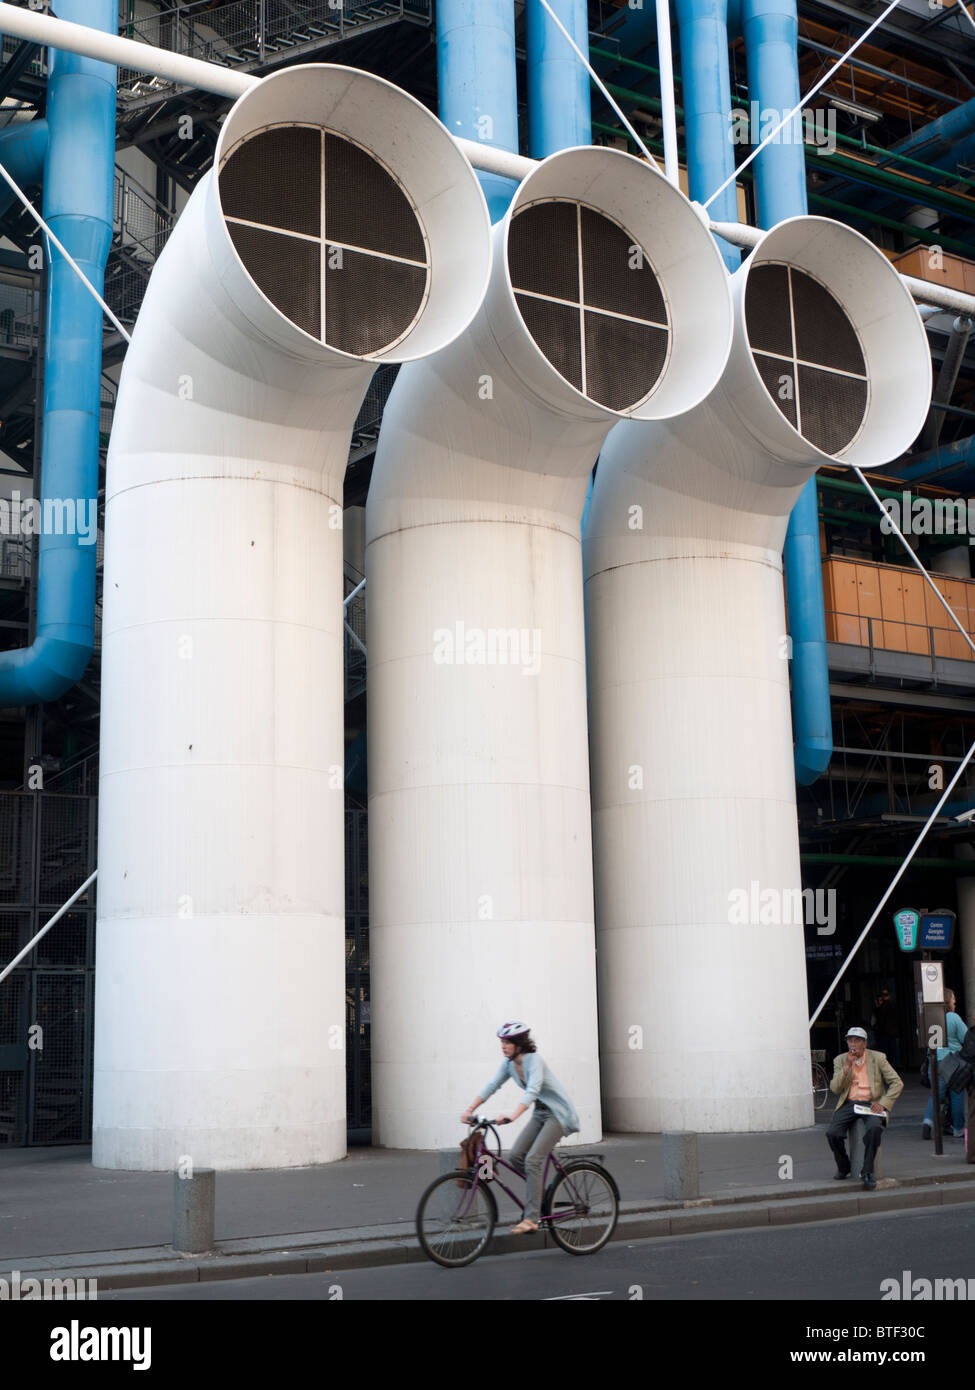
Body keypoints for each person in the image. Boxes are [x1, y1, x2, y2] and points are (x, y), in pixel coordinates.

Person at [460, 1021, 580, 1234]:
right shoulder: (508, 1065)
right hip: (540, 1113)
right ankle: (538, 1197)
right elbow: (492, 1085)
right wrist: (470, 1110)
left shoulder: (534, 1061)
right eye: (502, 1042)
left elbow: (532, 1090)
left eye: (507, 1042)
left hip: (558, 1115)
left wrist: (512, 1116)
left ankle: (532, 1218)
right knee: (516, 1156)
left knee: (533, 1160)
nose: (503, 1046)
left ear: (519, 1043)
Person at [827, 1025, 903, 1191]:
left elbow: (897, 1082)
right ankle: (844, 1166)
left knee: (874, 1129)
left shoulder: (878, 1058)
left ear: (865, 1043)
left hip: (871, 1103)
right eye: (850, 1040)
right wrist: (847, 1066)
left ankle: (867, 1171)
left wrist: (883, 1103)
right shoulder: (840, 1060)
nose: (853, 1044)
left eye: (857, 1041)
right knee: (832, 1133)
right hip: (849, 1103)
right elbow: (835, 1088)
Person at [922, 988, 967, 1139]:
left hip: (934, 1060)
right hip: (953, 1061)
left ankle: (928, 1123)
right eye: (953, 998)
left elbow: (919, 1033)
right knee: (957, 1094)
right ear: (947, 1001)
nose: (955, 1001)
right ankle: (958, 1128)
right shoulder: (953, 1018)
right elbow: (966, 1037)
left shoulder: (930, 1018)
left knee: (935, 1094)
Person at [873, 988, 900, 1067]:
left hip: (888, 1034)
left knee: (890, 1054)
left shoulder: (888, 1007)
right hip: (886, 1034)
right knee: (888, 1054)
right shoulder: (883, 1008)